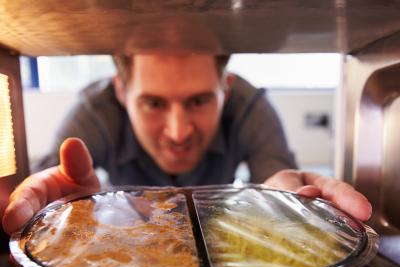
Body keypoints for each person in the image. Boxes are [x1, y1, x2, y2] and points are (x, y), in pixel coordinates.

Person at [1, 53, 371, 235]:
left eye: (198, 101)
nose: (178, 132)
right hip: (133, 238)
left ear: (225, 90)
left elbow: (278, 179)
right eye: (154, 103)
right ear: (121, 91)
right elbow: (51, 186)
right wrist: (60, 212)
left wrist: (285, 203)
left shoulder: (249, 107)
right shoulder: (93, 112)